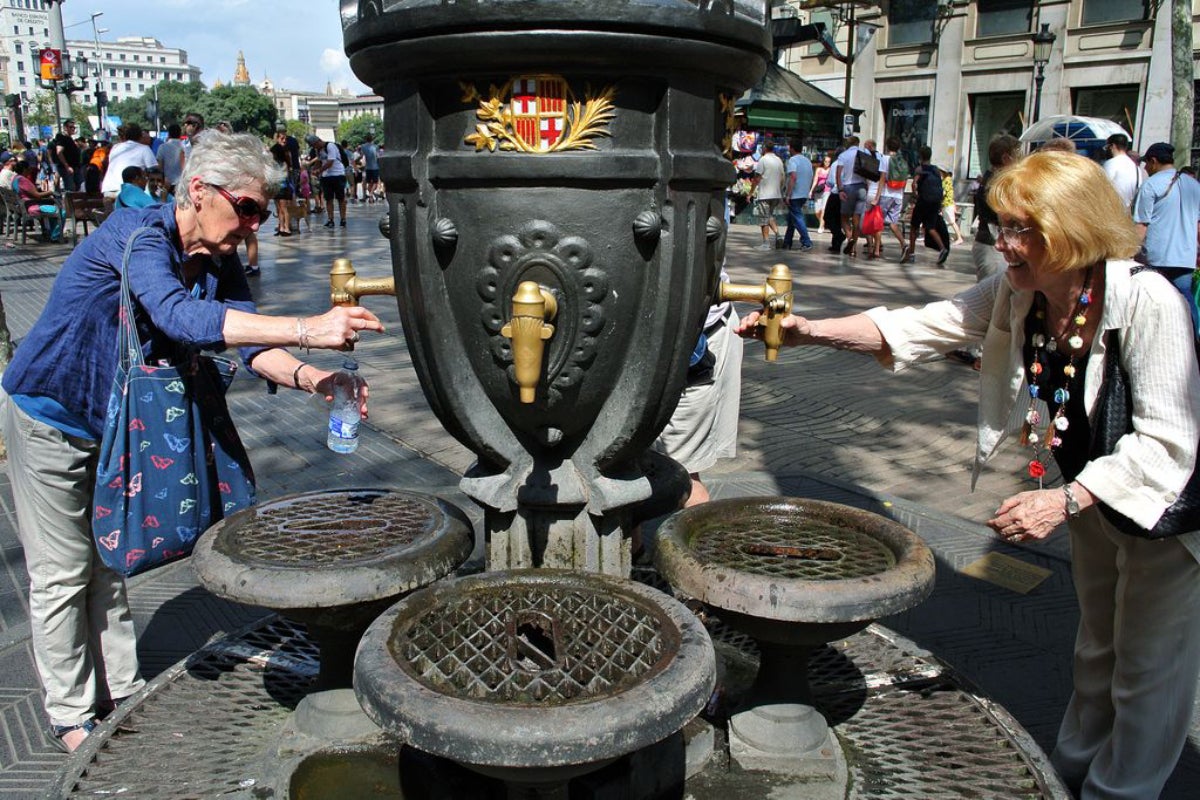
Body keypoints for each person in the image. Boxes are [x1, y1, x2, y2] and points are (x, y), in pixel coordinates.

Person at [736, 150, 1200, 800]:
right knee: (1097, 653)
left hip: (1161, 514)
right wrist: (811, 332)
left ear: (1072, 229)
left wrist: (1062, 502)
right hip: (1092, 499)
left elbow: (1170, 441)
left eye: (1021, 230)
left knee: (1149, 668)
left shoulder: (1147, 300)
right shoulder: (1021, 292)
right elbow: (926, 324)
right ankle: (1072, 775)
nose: (1002, 244)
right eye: (1000, 226)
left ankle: (1123, 792)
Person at [0, 130, 385, 754]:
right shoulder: (136, 239)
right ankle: (73, 715)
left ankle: (120, 692)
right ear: (199, 191)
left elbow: (249, 343)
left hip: (120, 423)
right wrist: (309, 328)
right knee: (62, 573)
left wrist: (316, 376)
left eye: (261, 211)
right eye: (247, 207)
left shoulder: (218, 254)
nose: (254, 224)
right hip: (53, 413)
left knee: (107, 560)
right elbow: (180, 316)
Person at [1132, 141, 1200, 343]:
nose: (1145, 168)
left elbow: (1141, 225)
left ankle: (1159, 340)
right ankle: (1195, 340)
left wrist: (1130, 253)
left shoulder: (1151, 185)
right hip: (1185, 256)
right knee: (1186, 299)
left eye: (1146, 164)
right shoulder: (1194, 185)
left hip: (1157, 256)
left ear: (1154, 161)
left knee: (1155, 300)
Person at [904, 146, 949, 265]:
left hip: (923, 201)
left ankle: (912, 254)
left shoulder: (920, 169)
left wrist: (916, 194)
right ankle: (942, 248)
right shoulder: (935, 170)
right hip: (935, 202)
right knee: (930, 227)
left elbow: (914, 184)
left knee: (914, 227)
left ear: (920, 156)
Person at [101, 124, 159, 199]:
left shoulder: (115, 148)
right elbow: (154, 170)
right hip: (128, 191)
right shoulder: (144, 149)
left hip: (109, 188)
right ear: (140, 136)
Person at [875, 137, 908, 262]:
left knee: (879, 223)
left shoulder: (885, 159)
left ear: (887, 147)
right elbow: (904, 181)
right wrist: (901, 194)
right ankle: (904, 244)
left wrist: (877, 197)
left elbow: (882, 178)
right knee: (893, 224)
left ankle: (877, 250)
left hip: (886, 194)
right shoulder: (902, 160)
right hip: (898, 196)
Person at [12, 160, 63, 241]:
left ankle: (50, 233)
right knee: (61, 212)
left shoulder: (15, 178)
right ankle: (55, 236)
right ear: (25, 169)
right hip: (31, 207)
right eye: (29, 168)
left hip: (24, 206)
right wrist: (50, 192)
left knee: (51, 207)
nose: (30, 170)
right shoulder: (23, 180)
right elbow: (37, 195)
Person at [835, 135, 867, 257]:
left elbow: (838, 174)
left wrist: (840, 190)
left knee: (844, 216)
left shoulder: (843, 155)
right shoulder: (864, 152)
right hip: (862, 187)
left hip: (848, 187)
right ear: (858, 143)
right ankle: (854, 242)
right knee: (857, 217)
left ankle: (850, 239)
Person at [307, 133, 347, 228]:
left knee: (341, 199)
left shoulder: (330, 146)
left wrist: (319, 170)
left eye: (314, 145)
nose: (314, 147)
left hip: (337, 174)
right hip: (326, 176)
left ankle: (343, 219)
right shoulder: (318, 150)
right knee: (328, 199)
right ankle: (330, 219)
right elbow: (319, 162)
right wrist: (314, 170)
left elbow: (330, 162)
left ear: (318, 141)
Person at [782, 137, 813, 252]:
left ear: (792, 148)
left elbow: (793, 177)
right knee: (792, 218)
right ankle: (787, 242)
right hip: (803, 193)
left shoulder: (793, 160)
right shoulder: (807, 161)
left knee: (797, 217)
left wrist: (788, 194)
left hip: (795, 194)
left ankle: (806, 241)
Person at [752, 141, 785, 250]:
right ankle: (778, 235)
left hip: (765, 194)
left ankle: (766, 243)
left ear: (765, 148)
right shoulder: (779, 160)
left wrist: (751, 192)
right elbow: (782, 178)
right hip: (776, 194)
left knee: (764, 219)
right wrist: (779, 189)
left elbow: (757, 177)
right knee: (769, 216)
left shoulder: (763, 160)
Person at [269, 130, 294, 237]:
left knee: (284, 208)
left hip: (283, 185)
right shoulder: (275, 162)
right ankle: (282, 227)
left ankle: (286, 228)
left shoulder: (283, 162)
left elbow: (286, 174)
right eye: (282, 138)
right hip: (277, 185)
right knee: (279, 208)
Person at [157, 124, 186, 197]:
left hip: (167, 184)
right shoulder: (185, 147)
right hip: (182, 183)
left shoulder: (162, 147)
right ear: (180, 133)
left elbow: (160, 167)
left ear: (169, 134)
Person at [53, 120, 82, 191]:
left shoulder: (69, 138)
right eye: (70, 127)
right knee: (70, 188)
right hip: (67, 168)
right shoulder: (62, 137)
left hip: (74, 166)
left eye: (74, 127)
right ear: (65, 128)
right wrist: (67, 166)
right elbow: (59, 152)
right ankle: (69, 201)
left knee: (78, 186)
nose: (73, 129)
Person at [940, 168, 965, 245]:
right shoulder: (947, 180)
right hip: (946, 204)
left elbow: (943, 193)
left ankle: (959, 238)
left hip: (947, 204)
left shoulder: (946, 181)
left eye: (940, 172)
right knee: (946, 221)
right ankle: (945, 236)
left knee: (952, 222)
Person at [360, 133, 381, 203]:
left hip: (368, 167)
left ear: (366, 139)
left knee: (369, 183)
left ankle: (371, 195)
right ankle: (371, 194)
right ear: (372, 139)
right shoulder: (375, 147)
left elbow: (362, 155)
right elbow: (378, 156)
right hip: (375, 167)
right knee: (375, 182)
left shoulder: (363, 146)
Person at [812, 154, 831, 234]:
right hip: (819, 190)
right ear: (823, 162)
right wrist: (811, 190)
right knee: (817, 211)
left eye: (829, 162)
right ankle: (822, 223)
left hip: (827, 190)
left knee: (823, 209)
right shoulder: (819, 169)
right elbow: (815, 180)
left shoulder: (830, 170)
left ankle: (820, 226)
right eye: (826, 161)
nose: (827, 163)